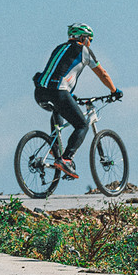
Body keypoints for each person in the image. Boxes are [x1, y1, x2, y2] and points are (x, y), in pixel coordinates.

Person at [33, 23, 122, 179]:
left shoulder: (59, 48)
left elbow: (57, 71)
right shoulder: (84, 50)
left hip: (40, 92)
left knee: (58, 112)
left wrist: (68, 96)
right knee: (82, 125)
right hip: (58, 92)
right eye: (90, 40)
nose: (90, 43)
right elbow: (103, 74)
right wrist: (114, 91)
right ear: (83, 38)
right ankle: (66, 159)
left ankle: (54, 148)